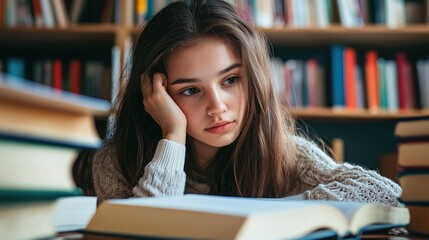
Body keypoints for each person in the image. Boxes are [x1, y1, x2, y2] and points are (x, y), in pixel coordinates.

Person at [91, 0, 401, 207]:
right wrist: (173, 136)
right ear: (154, 95)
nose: (217, 107)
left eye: (230, 80)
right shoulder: (116, 162)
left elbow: (383, 192)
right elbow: (143, 231)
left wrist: (280, 208)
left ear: (253, 78)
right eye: (190, 90)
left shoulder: (286, 154)